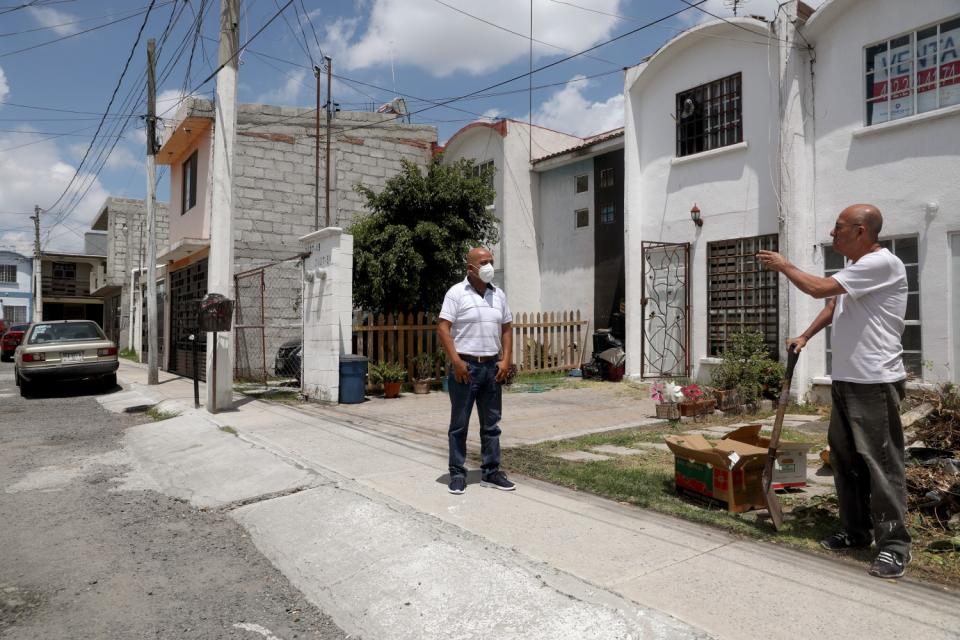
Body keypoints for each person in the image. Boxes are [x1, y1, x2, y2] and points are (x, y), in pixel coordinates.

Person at [757, 204, 911, 579]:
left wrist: (785, 265)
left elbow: (818, 289)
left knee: (881, 463)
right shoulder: (857, 270)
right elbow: (833, 304)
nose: (832, 233)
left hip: (874, 380)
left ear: (860, 231)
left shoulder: (882, 264)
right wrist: (805, 336)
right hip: (846, 379)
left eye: (838, 227)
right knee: (845, 460)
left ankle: (894, 545)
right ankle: (856, 531)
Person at [437, 247, 515, 495]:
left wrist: (506, 361)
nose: (489, 266)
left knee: (492, 424)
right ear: (470, 268)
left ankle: (491, 472)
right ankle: (457, 474)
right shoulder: (456, 293)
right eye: (484, 262)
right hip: (466, 368)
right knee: (459, 425)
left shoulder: (498, 295)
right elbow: (443, 328)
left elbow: (507, 328)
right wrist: (457, 361)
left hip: (492, 368)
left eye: (491, 261)